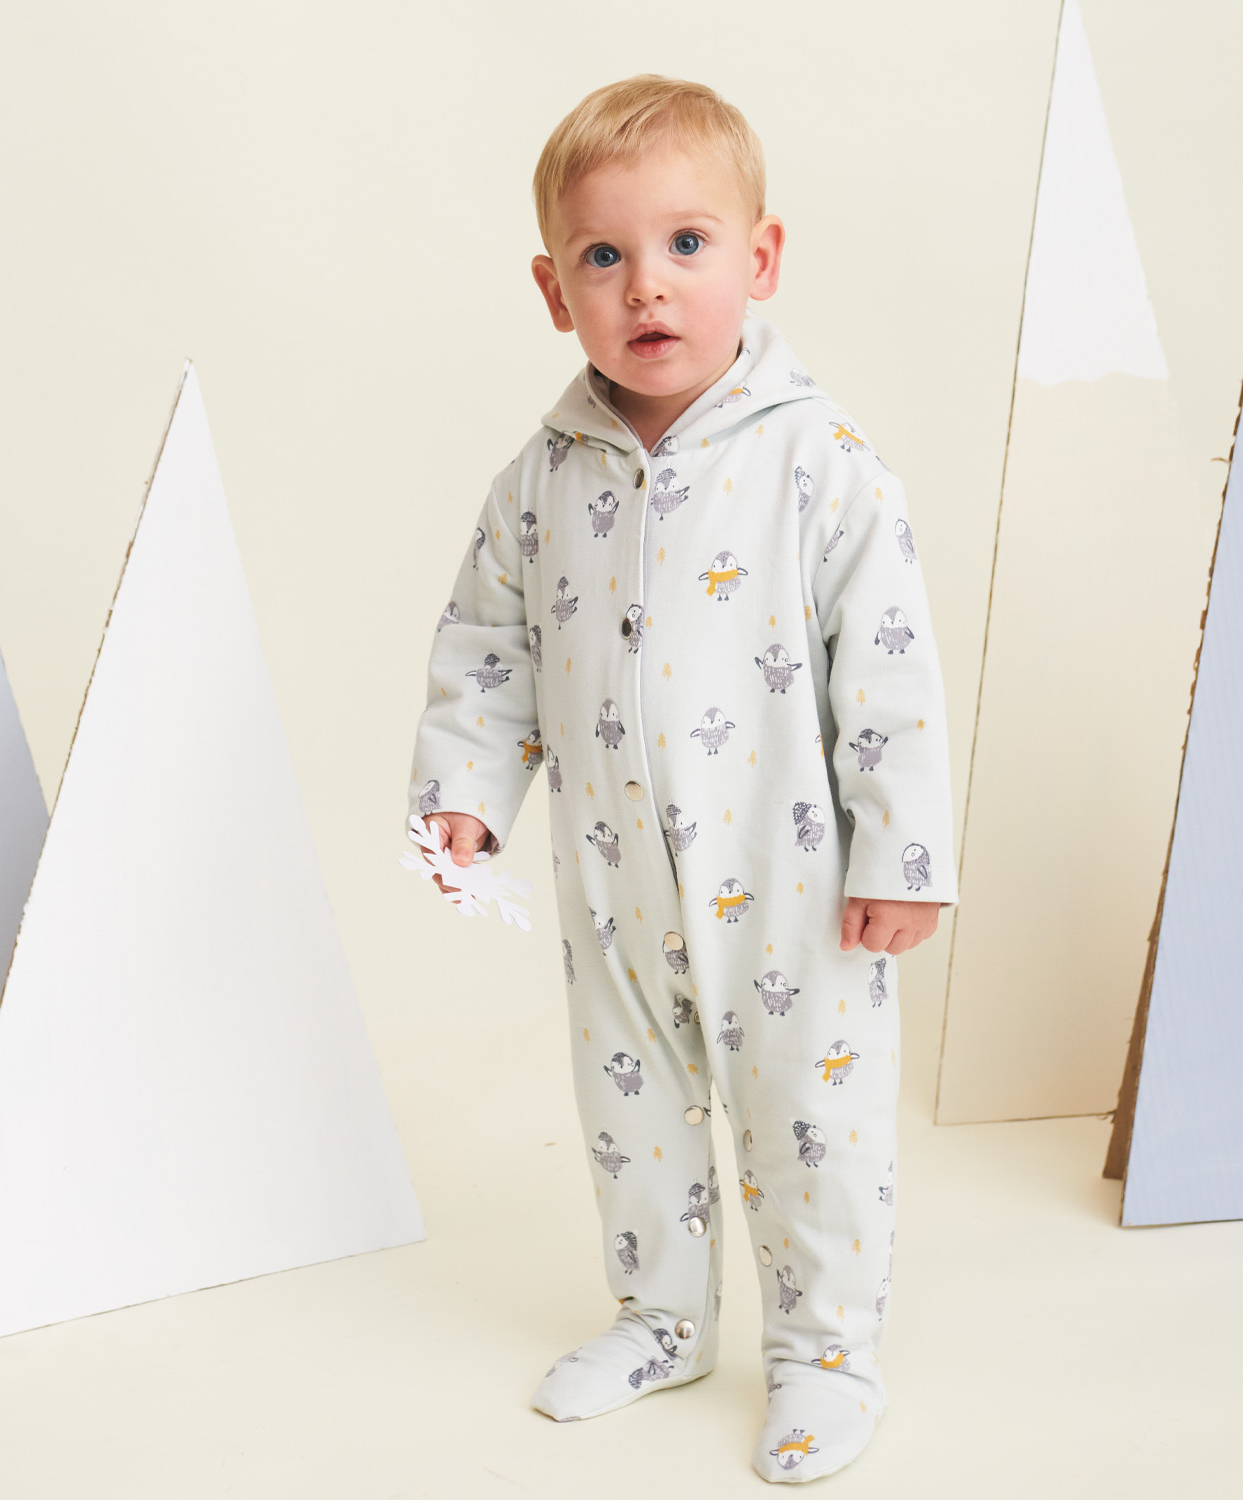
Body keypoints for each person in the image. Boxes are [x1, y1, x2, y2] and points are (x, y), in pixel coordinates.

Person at [403, 73, 958, 1484]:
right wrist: (464, 792)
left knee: (812, 1117)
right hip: (614, 882)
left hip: (795, 883)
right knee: (631, 1110)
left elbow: (889, 671)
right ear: (555, 290)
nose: (646, 285)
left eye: (687, 244)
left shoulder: (821, 462)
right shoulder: (542, 479)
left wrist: (902, 855)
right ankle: (661, 1319)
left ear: (759, 259)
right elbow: (488, 645)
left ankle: (824, 1352)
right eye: (605, 255)